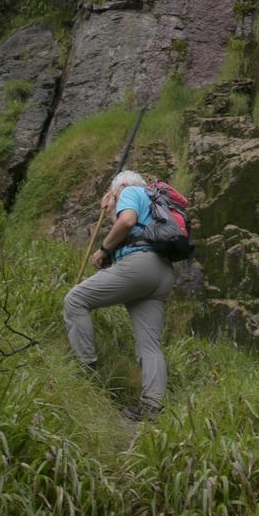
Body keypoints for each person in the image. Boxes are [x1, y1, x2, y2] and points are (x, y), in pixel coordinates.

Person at [63, 169, 176, 419]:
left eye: (111, 193)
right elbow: (128, 226)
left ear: (120, 186)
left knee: (76, 299)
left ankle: (85, 368)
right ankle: (152, 408)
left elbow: (126, 222)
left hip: (139, 266)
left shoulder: (130, 191)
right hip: (162, 273)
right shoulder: (152, 201)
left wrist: (103, 250)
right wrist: (110, 213)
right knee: (150, 347)